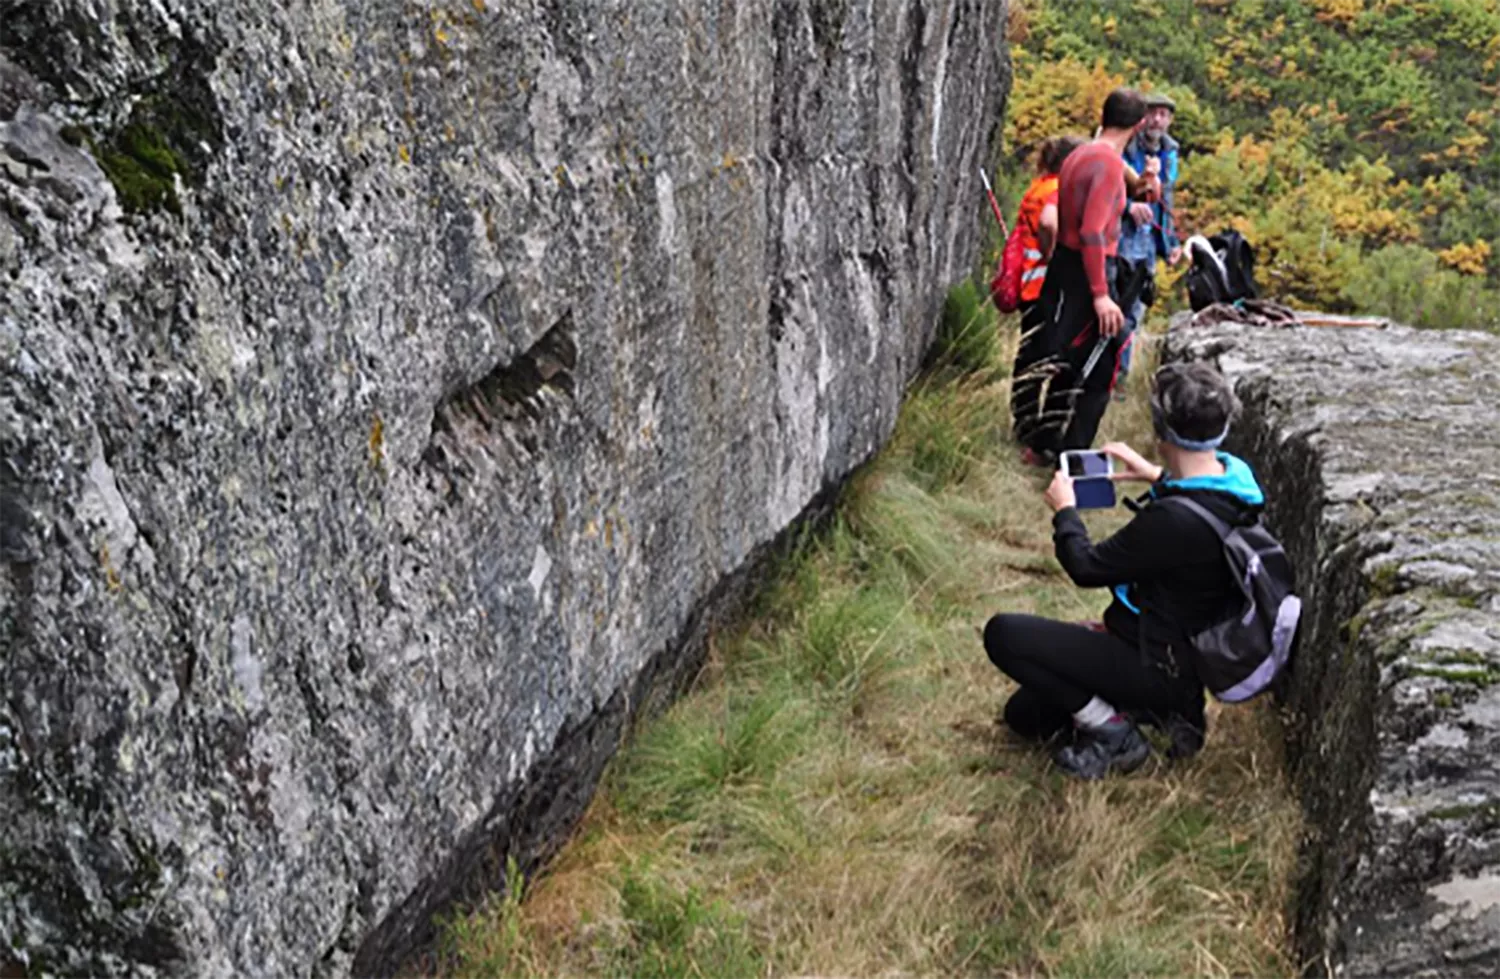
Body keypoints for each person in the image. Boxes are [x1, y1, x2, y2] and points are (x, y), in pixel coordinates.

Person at [983, 361, 1267, 779]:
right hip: (1180, 662)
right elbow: (1200, 503)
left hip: (1155, 665)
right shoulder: (1237, 480)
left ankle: (1114, 733)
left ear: (1160, 429)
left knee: (1004, 635)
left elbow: (1085, 566)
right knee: (1026, 715)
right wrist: (1154, 475)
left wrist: (1065, 512)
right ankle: (1160, 717)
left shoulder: (1172, 522)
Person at [1010, 89, 1150, 464]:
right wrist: (1102, 293)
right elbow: (1092, 230)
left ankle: (1045, 444)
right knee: (1100, 367)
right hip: (1090, 270)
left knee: (1067, 357)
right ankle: (1070, 458)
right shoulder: (1106, 165)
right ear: (1138, 126)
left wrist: (1144, 183)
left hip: (1065, 267)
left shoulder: (1081, 154)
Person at [1115, 92, 1184, 396]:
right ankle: (1099, 373)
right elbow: (1111, 186)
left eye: (1164, 115)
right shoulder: (1126, 147)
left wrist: (1170, 243)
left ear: (1170, 121)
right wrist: (1127, 206)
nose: (1158, 120)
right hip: (1120, 239)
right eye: (1153, 113)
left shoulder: (1170, 152)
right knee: (1113, 310)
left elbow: (1165, 199)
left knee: (1135, 313)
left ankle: (1119, 377)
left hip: (1148, 245)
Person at [991, 135, 1085, 317]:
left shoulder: (1039, 186)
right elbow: (1048, 222)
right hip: (1045, 282)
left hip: (1028, 278)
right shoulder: (1059, 189)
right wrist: (1050, 253)